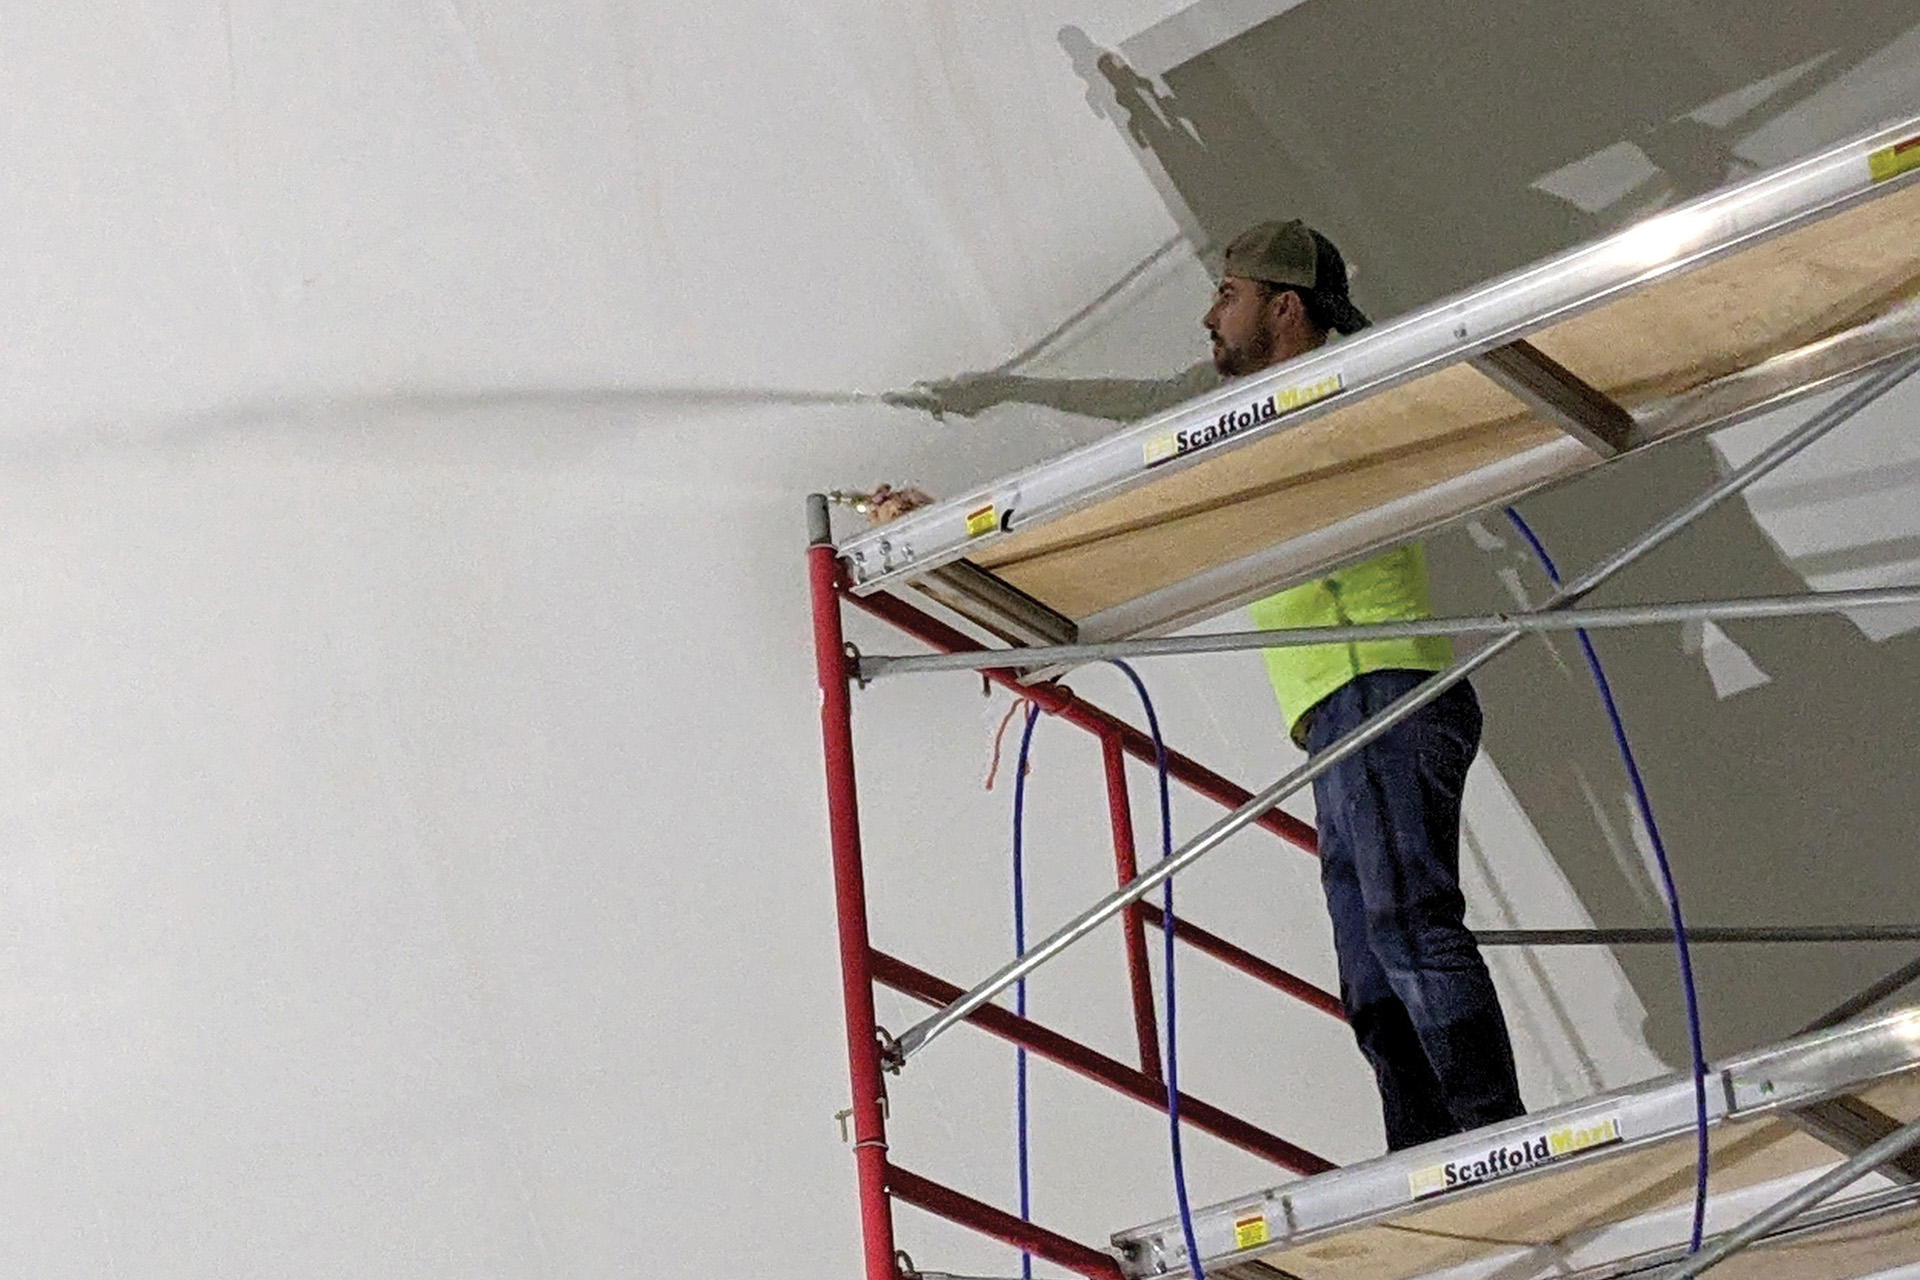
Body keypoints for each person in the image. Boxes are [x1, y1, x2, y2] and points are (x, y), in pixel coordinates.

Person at [886, 221, 1526, 1151]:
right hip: (1339, 713)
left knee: (1404, 924)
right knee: (1371, 967)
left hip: (1381, 689)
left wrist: (963, 518)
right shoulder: (1247, 408)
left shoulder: (1329, 390)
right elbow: (1140, 407)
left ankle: (1490, 1138)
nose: (1207, 315)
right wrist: (1001, 405)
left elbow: (1145, 445)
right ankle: (1427, 1154)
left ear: (1286, 307)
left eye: (1228, 294)